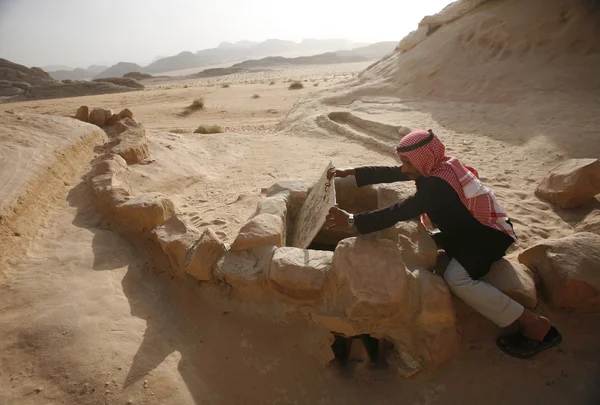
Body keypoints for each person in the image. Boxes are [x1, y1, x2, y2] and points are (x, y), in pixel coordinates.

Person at [324, 129, 562, 359]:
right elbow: (396, 172)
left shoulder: (437, 186)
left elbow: (402, 210)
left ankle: (533, 324)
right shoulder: (440, 166)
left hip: (488, 237)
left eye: (408, 163)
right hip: (472, 230)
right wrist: (353, 173)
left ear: (422, 160)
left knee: (456, 279)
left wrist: (353, 220)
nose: (404, 168)